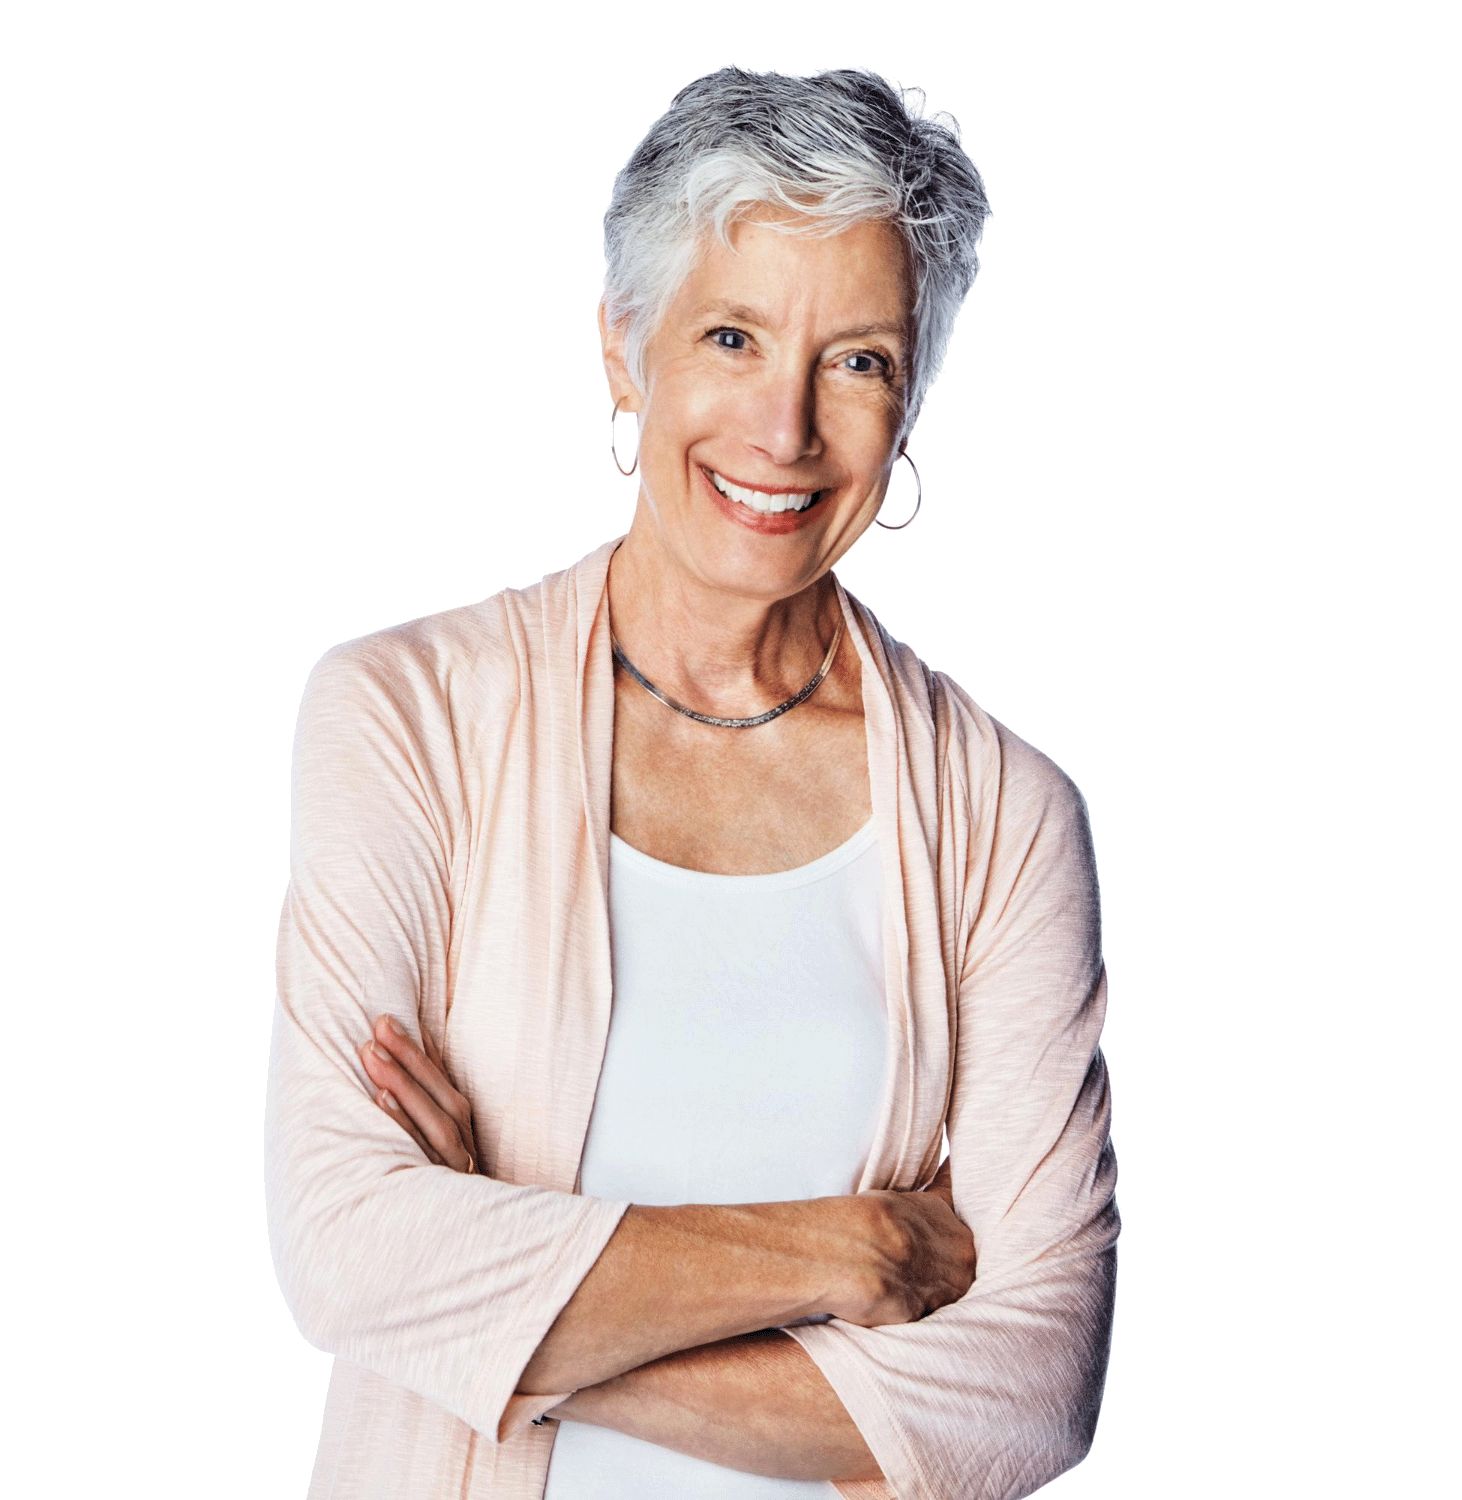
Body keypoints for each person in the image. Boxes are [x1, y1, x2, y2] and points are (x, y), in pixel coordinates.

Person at [264, 65, 1120, 1499]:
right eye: (732, 336)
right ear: (624, 348)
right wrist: (847, 1250)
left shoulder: (1004, 817)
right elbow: (347, 1248)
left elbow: (1032, 1393)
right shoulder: (410, 717)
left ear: (911, 400)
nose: (785, 430)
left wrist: (495, 1307)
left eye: (859, 361)